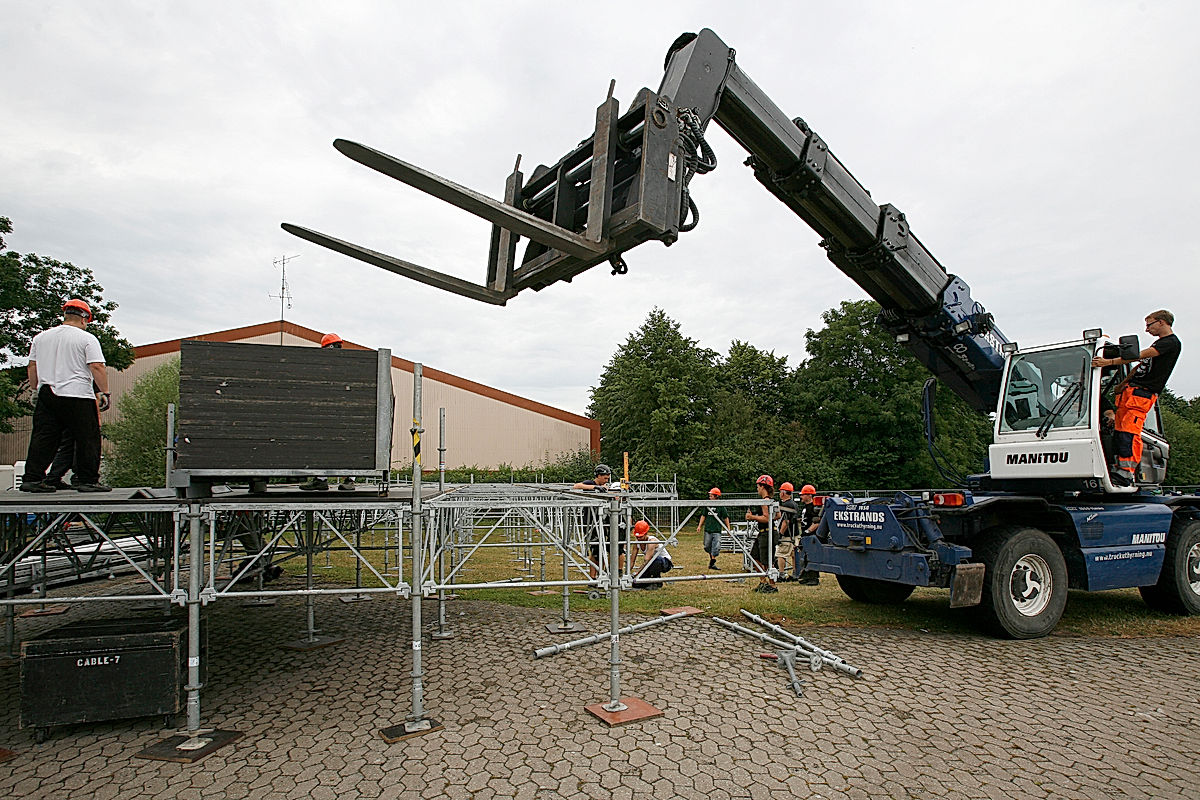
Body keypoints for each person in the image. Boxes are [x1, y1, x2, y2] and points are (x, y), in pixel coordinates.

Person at [20, 299, 111, 493]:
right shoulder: (86, 339)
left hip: (47, 392)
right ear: (85, 318)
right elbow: (96, 366)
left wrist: (35, 388)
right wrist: (104, 391)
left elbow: (32, 366)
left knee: (44, 437)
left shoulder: (41, 338)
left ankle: (33, 478)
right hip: (77, 393)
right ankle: (87, 480)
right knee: (87, 437)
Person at [1091, 310, 1181, 486]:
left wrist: (1107, 363)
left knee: (1129, 433)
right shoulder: (1160, 343)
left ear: (1162, 322)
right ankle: (1117, 468)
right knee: (1120, 430)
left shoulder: (1170, 343)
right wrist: (1122, 384)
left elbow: (1139, 355)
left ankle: (1126, 473)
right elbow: (1138, 366)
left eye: (1150, 324)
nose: (1147, 330)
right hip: (1132, 392)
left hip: (1142, 394)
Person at [300, 333, 356, 491]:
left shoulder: (332, 366)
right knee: (341, 446)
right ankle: (331, 479)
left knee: (332, 445)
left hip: (337, 414)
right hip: (343, 415)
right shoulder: (348, 366)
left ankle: (326, 479)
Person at [573, 464, 624, 579]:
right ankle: (593, 578)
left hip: (603, 521)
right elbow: (576, 486)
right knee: (596, 551)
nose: (606, 480)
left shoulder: (605, 487)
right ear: (598, 476)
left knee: (609, 548)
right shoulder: (590, 483)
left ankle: (607, 574)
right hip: (591, 521)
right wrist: (595, 488)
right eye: (605, 478)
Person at [746, 474, 777, 593]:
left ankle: (772, 585)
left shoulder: (765, 501)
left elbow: (767, 518)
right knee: (754, 557)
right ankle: (763, 581)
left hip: (767, 533)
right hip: (764, 533)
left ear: (763, 486)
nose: (757, 489)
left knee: (767, 561)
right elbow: (777, 515)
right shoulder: (771, 501)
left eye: (758, 486)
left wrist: (752, 517)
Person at [630, 520, 672, 589]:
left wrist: (637, 573)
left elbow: (647, 560)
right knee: (636, 584)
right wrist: (628, 574)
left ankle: (657, 581)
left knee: (655, 560)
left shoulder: (652, 542)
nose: (639, 538)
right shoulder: (636, 543)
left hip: (664, 562)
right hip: (649, 564)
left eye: (641, 536)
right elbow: (632, 560)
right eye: (637, 537)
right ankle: (648, 582)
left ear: (646, 533)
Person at [696, 487, 730, 570]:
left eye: (711, 496)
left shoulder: (721, 507)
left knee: (716, 546)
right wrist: (699, 525)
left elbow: (725, 517)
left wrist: (728, 528)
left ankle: (713, 560)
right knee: (707, 546)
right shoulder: (707, 505)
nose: (709, 497)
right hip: (708, 529)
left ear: (716, 496)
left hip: (717, 530)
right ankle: (712, 560)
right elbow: (703, 515)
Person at [794, 484, 821, 585]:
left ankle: (814, 578)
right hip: (806, 535)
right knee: (805, 557)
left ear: (809, 495)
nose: (801, 496)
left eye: (803, 494)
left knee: (811, 556)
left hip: (811, 536)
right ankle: (807, 576)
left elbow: (817, 522)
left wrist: (808, 532)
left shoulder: (814, 507)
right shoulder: (806, 507)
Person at [775, 482, 799, 582]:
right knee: (794, 555)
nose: (780, 493)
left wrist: (780, 533)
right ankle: (795, 573)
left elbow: (786, 521)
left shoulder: (785, 505)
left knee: (781, 554)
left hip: (787, 535)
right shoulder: (794, 504)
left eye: (780, 491)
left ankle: (781, 575)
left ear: (784, 493)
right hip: (795, 533)